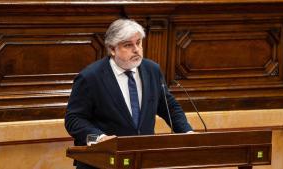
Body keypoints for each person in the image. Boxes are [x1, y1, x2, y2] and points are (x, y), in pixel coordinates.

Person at [65, 18, 193, 169]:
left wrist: (186, 132)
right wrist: (99, 138)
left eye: (138, 43)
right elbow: (74, 119)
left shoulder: (152, 70)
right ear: (112, 49)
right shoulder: (90, 77)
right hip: (103, 162)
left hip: (143, 160)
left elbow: (168, 106)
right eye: (128, 45)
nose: (136, 49)